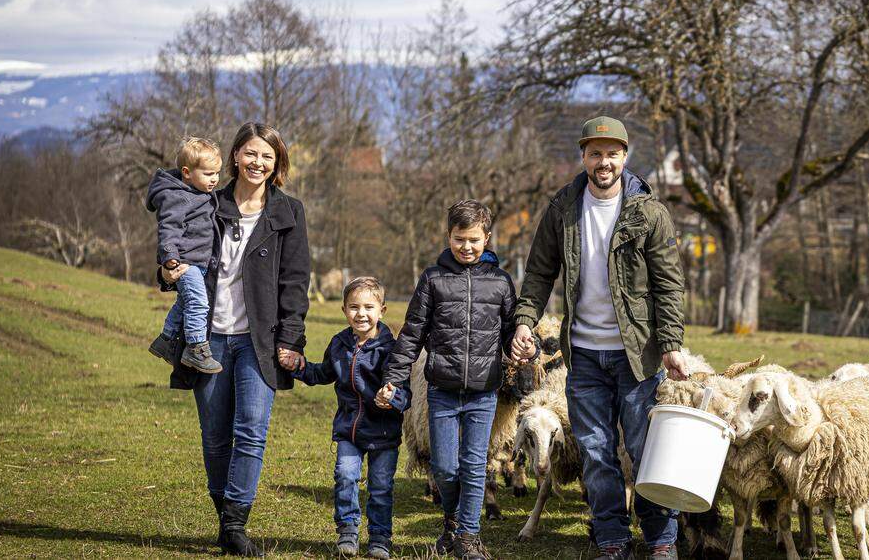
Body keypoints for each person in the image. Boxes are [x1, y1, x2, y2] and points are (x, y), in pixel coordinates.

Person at [510, 116, 689, 560]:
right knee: (595, 452)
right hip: (584, 355)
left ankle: (660, 538)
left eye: (612, 153)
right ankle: (611, 538)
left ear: (624, 156)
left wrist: (670, 344)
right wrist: (524, 322)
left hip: (637, 355)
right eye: (595, 153)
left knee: (644, 448)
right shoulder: (563, 208)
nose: (603, 161)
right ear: (583, 155)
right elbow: (538, 274)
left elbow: (669, 284)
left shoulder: (649, 212)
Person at [160, 122, 310, 557]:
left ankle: (235, 523)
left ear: (277, 162)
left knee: (251, 432)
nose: (257, 163)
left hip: (258, 341)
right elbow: (173, 242)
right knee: (214, 436)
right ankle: (224, 519)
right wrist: (165, 269)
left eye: (267, 156)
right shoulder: (207, 202)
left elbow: (296, 282)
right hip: (207, 338)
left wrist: (292, 339)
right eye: (250, 153)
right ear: (235, 156)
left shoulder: (289, 212)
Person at [378, 200, 535, 560]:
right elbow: (412, 334)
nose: (466, 247)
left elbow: (513, 330)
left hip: (483, 392)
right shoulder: (433, 279)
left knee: (474, 465)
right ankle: (451, 520)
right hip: (442, 390)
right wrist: (395, 378)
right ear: (449, 236)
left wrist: (528, 345)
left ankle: (468, 537)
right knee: (446, 468)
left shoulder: (500, 282)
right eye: (459, 239)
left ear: (487, 238)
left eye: (474, 240)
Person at [277, 276, 409, 559]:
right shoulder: (339, 343)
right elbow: (323, 373)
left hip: (383, 433)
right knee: (346, 476)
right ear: (344, 310)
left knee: (381, 487)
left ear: (382, 310)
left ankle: (379, 538)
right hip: (349, 429)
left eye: (368, 307)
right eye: (354, 307)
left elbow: (405, 395)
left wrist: (392, 398)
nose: (361, 314)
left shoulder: (392, 349)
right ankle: (348, 531)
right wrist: (297, 367)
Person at [147, 136, 224, 373]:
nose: (215, 179)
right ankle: (196, 348)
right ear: (187, 172)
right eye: (209, 174)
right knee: (199, 303)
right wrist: (169, 256)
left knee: (184, 303)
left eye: (217, 173)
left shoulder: (199, 192)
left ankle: (166, 340)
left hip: (198, 262)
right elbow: (169, 226)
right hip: (185, 263)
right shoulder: (178, 196)